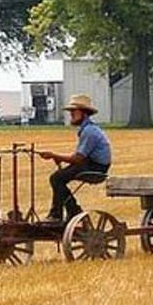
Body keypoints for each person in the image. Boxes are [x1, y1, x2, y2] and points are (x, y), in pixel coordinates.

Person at [37, 94, 111, 222]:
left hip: (95, 167)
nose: (71, 114)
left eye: (73, 111)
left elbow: (77, 159)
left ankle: (63, 214)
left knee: (57, 178)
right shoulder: (89, 129)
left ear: (84, 113)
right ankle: (70, 211)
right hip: (91, 163)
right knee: (58, 177)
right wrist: (57, 157)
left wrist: (54, 155)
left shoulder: (89, 132)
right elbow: (78, 157)